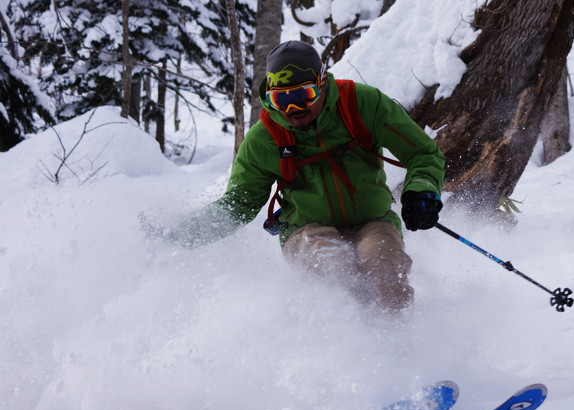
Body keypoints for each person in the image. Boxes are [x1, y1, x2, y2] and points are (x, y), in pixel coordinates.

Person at [159, 40, 445, 312]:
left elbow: (423, 153)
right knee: (334, 266)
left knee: (383, 263)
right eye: (280, 99)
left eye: (302, 95)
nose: (293, 109)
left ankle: (400, 342)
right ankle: (339, 348)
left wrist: (422, 191)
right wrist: (177, 236)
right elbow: (239, 205)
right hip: (306, 230)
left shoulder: (362, 105)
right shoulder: (265, 139)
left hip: (374, 221)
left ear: (322, 84)